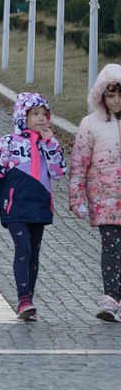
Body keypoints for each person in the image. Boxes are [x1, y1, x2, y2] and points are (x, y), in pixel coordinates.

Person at [0, 93, 66, 321]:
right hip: (15, 207)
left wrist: (51, 145)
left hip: (40, 206)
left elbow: (59, 173)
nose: (41, 119)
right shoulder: (9, 143)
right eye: (35, 114)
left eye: (44, 114)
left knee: (33, 253)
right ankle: (23, 298)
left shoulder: (48, 143)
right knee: (22, 248)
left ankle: (28, 302)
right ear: (23, 116)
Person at [69, 65, 121, 321]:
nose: (116, 101)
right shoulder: (90, 124)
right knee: (111, 246)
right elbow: (79, 163)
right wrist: (77, 197)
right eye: (111, 96)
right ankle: (111, 297)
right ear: (101, 96)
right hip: (104, 198)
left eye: (120, 95)